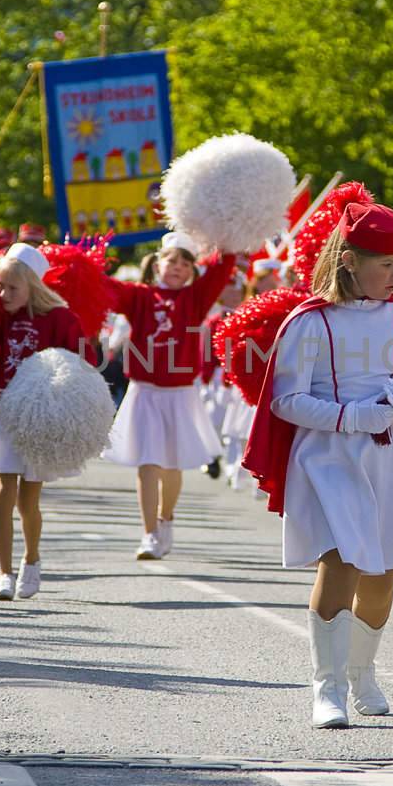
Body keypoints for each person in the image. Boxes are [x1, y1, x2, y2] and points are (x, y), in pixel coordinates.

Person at [243, 201, 393, 727]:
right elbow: (285, 400)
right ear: (348, 261)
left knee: (384, 573)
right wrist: (351, 416)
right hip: (329, 456)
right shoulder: (310, 322)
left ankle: (362, 671)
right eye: (385, 265)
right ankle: (329, 686)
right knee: (340, 560)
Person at [102, 232, 236, 560]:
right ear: (157, 263)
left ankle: (166, 519)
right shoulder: (138, 295)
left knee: (171, 466)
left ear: (192, 270)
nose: (177, 267)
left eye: (185, 263)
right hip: (144, 392)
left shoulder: (197, 297)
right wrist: (92, 260)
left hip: (179, 393)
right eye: (171, 260)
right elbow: (103, 289)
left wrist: (230, 232)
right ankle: (148, 534)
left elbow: (223, 266)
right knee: (148, 463)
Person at [0, 245, 94, 600]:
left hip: (40, 416)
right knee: (3, 488)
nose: (3, 294)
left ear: (32, 286)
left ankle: (31, 559)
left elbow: (80, 365)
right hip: (5, 409)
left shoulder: (60, 319)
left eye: (12, 288)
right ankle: (3, 573)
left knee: (29, 500)